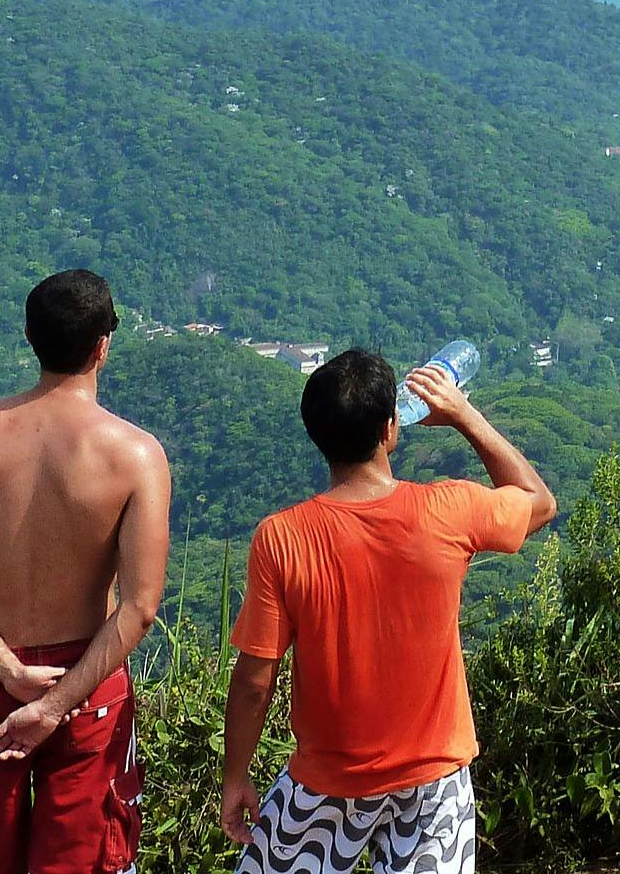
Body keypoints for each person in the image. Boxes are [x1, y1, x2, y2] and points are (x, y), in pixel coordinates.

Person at [221, 348, 555, 874]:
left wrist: (236, 776)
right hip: (434, 782)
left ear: (317, 435)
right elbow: (539, 500)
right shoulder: (449, 510)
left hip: (327, 780)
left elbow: (254, 682)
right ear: (390, 428)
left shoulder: (282, 538)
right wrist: (463, 414)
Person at [0, 268, 172, 874]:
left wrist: (8, 669)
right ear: (103, 346)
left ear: (30, 338)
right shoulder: (135, 455)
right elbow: (139, 608)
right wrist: (57, 703)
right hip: (90, 683)